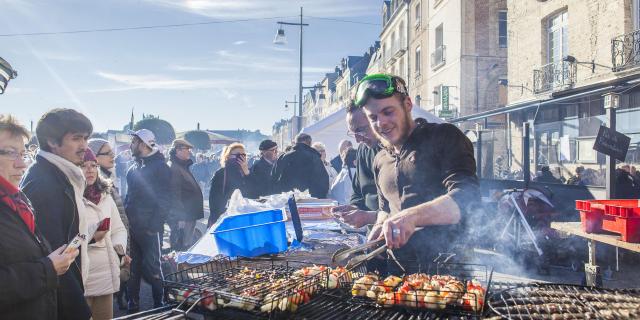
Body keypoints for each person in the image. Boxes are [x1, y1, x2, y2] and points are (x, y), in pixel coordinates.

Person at [355, 74, 479, 269]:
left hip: (446, 273)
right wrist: (379, 228)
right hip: (396, 276)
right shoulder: (379, 159)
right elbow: (385, 209)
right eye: (373, 118)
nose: (381, 123)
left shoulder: (443, 136)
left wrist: (410, 217)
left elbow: (467, 198)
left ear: (408, 104)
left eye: (388, 112)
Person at [0, 114, 79, 320]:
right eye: (10, 153)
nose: (21, 164)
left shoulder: (17, 199)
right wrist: (48, 268)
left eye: (23, 154)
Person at [21, 108, 94, 320]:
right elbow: (54, 257)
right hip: (59, 304)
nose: (84, 146)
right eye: (76, 138)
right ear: (52, 141)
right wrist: (78, 310)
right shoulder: (44, 183)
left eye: (86, 138)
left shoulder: (58, 174)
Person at [125, 129, 171, 311]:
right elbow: (129, 197)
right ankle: (132, 303)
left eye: (134, 141)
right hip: (132, 227)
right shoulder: (133, 166)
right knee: (133, 267)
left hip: (150, 228)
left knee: (153, 266)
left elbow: (166, 200)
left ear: (144, 144)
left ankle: (159, 304)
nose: (131, 145)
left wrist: (154, 226)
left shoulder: (161, 167)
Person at [81, 149, 128, 320]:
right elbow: (65, 238)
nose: (90, 170)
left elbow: (118, 229)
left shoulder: (105, 196)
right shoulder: (71, 197)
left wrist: (119, 250)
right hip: (83, 278)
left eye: (93, 165)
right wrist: (93, 236)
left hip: (106, 275)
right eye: (83, 165)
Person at [331, 101, 382, 228]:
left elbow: (409, 209)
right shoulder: (363, 150)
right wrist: (353, 207)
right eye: (353, 133)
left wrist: (370, 216)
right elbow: (358, 192)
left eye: (361, 130)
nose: (358, 139)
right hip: (375, 235)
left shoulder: (399, 150)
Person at [168, 139, 204, 251]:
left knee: (186, 244)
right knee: (182, 245)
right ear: (178, 150)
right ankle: (180, 266)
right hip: (184, 216)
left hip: (189, 214)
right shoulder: (174, 167)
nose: (189, 151)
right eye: (186, 149)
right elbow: (174, 194)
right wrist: (180, 217)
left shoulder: (181, 166)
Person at [272, 133, 329, 198]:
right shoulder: (314, 157)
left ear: (296, 142)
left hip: (288, 200)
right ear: (309, 143)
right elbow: (323, 182)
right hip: (310, 201)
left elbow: (274, 179)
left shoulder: (284, 157)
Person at [208, 143, 252, 227]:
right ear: (228, 156)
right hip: (224, 218)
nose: (242, 157)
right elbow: (213, 200)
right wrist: (216, 218)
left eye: (244, 155)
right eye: (238, 155)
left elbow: (253, 192)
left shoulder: (247, 172)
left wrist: (247, 173)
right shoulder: (221, 173)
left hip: (243, 216)